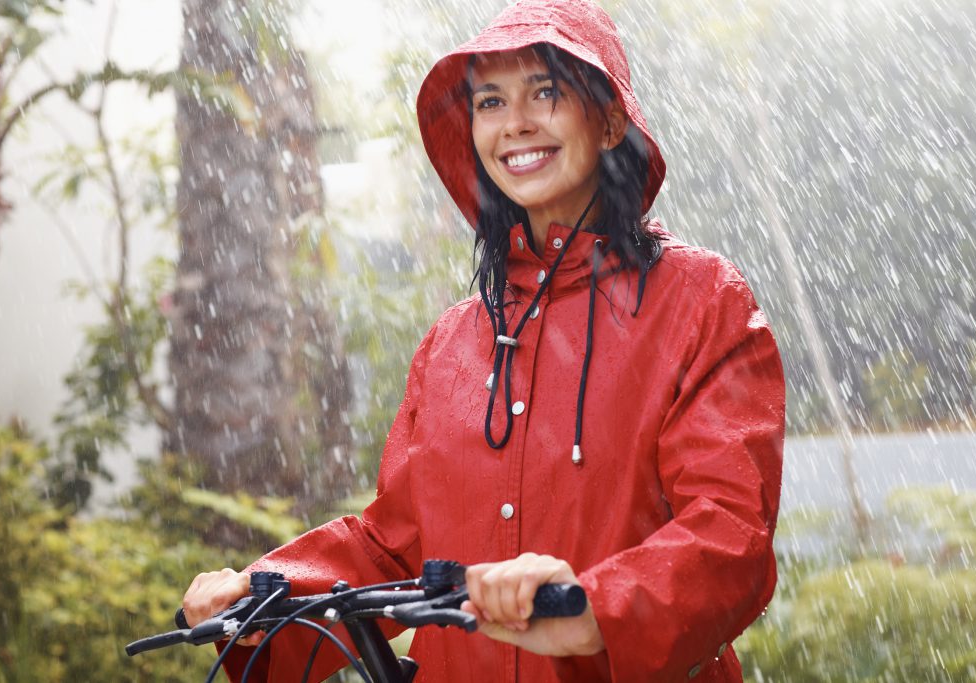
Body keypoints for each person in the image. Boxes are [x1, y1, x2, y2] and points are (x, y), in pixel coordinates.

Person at [182, 1, 785, 681]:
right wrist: (261, 591)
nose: (516, 122)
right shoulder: (451, 343)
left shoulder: (702, 301)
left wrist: (593, 606)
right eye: (491, 100)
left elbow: (730, 532)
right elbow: (391, 546)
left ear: (611, 120)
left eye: (546, 92)